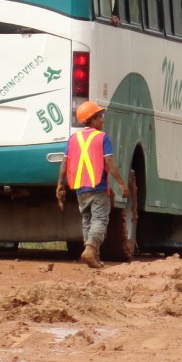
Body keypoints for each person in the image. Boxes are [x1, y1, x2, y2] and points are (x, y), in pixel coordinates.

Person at [55, 100, 129, 268]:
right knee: (100, 220)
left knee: (87, 220)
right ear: (92, 119)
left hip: (80, 188)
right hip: (98, 186)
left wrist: (60, 184)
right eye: (100, 116)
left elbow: (65, 164)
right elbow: (108, 162)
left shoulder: (73, 139)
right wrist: (122, 184)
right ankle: (91, 249)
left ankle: (93, 256)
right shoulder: (103, 137)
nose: (102, 120)